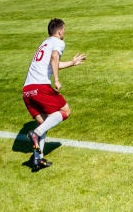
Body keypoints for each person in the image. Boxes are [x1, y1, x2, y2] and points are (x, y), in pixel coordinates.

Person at [22, 18, 86, 169]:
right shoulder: (58, 42)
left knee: (43, 123)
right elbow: (54, 57)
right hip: (40, 87)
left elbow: (53, 63)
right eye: (64, 30)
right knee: (65, 111)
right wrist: (56, 79)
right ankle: (35, 134)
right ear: (59, 31)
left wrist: (72, 62)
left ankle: (38, 159)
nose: (64, 32)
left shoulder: (45, 43)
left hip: (27, 90)